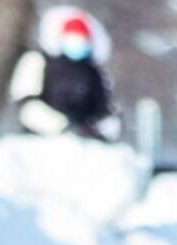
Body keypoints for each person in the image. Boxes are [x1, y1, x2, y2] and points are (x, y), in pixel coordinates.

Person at [9, 5, 121, 142]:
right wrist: (63, 126)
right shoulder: (37, 61)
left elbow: (106, 112)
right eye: (72, 36)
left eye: (82, 37)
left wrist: (95, 129)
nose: (77, 41)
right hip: (39, 142)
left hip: (84, 145)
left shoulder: (93, 73)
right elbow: (26, 105)